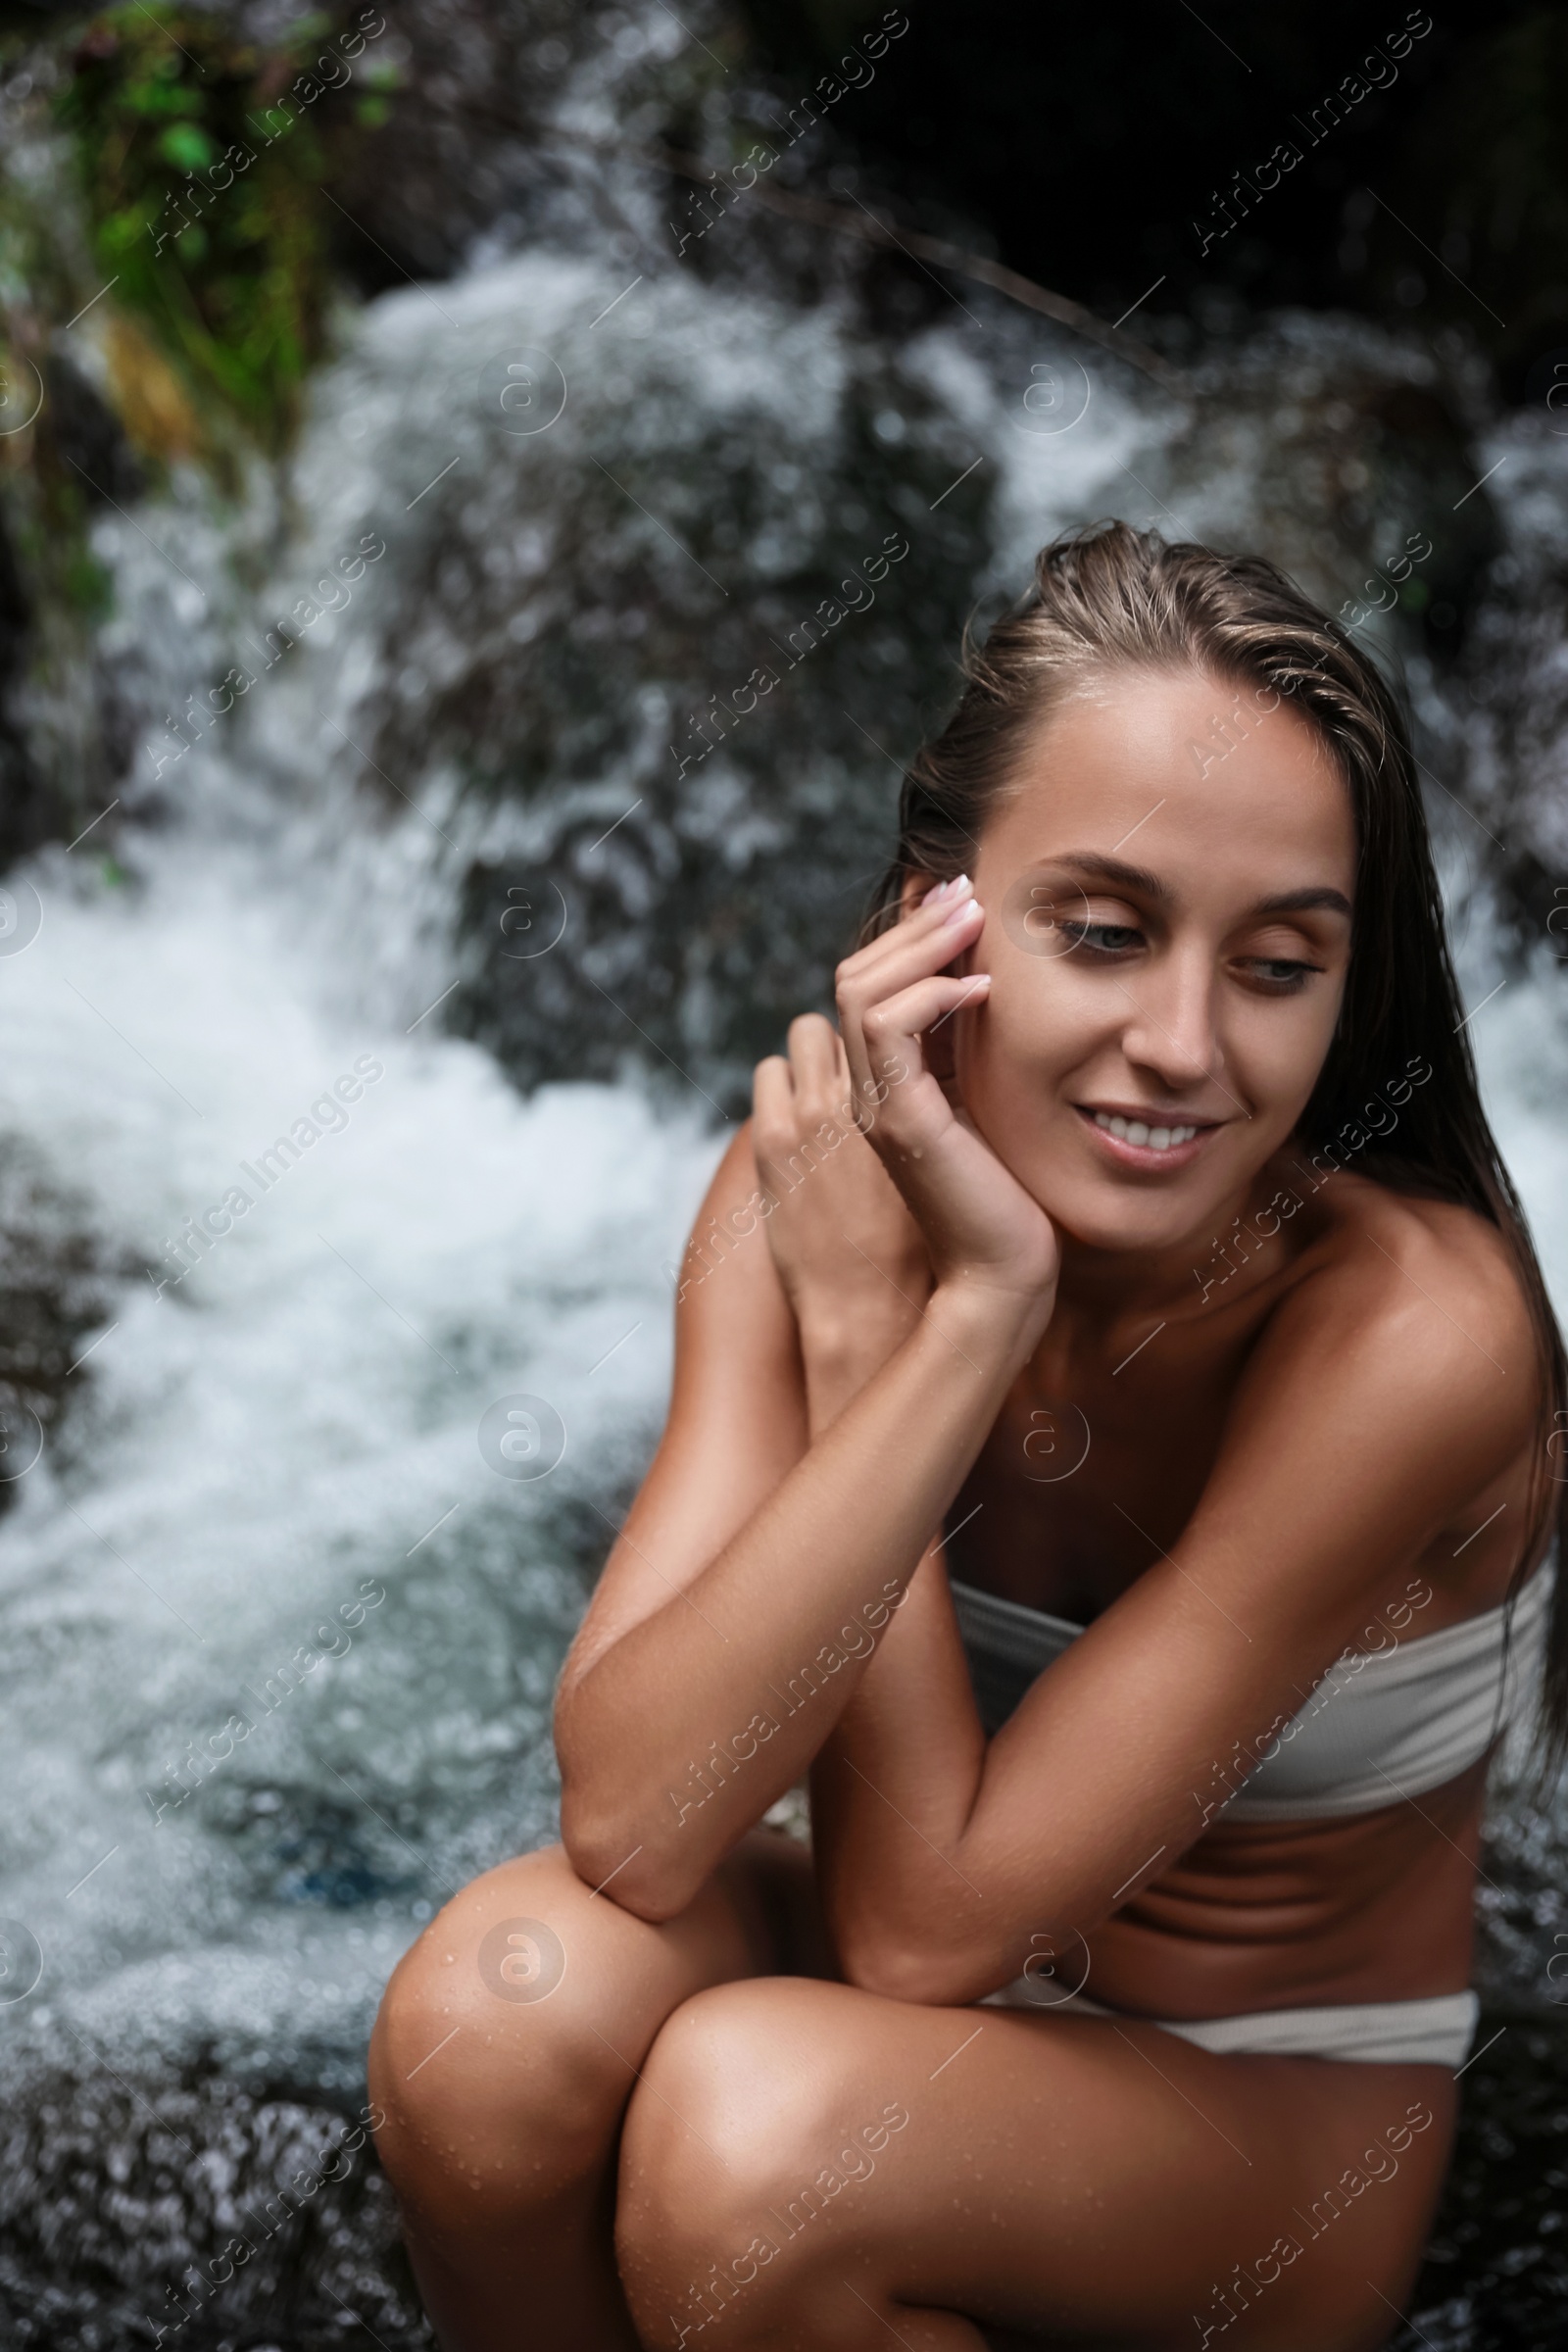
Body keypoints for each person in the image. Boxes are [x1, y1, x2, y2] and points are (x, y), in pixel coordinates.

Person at [368, 522, 1565, 2351]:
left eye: (1278, 966)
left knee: (754, 2142)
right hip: (895, 1993)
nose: (1184, 1045)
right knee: (486, 2019)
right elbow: (634, 1825)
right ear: (940, 913)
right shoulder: (811, 1189)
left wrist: (891, 1336)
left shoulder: (1415, 1334)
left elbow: (919, 1944)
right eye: (1104, 932)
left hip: (1247, 2104)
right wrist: (931, 1314)